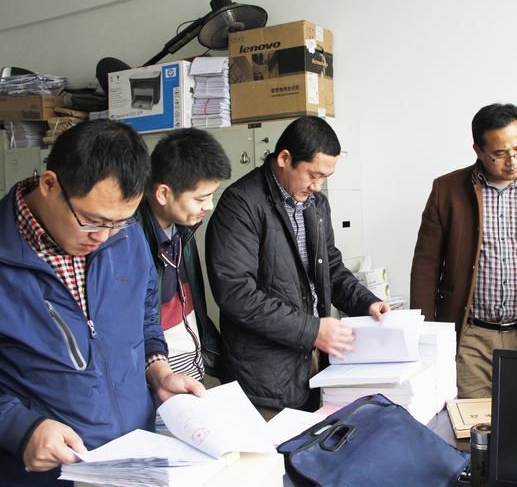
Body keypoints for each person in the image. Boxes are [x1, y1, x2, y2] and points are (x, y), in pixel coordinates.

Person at [0, 119, 205, 486]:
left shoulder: (125, 234)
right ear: (49, 185)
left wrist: (157, 369)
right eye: (92, 221)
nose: (104, 237)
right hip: (46, 473)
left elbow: (144, 314)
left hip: (133, 461)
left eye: (120, 222)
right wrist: (18, 426)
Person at [205, 116, 390, 418]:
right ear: (284, 158)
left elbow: (331, 268)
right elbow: (236, 294)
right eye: (313, 175)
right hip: (263, 378)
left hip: (312, 365)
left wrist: (366, 302)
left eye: (325, 178)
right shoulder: (241, 205)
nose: (317, 187)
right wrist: (313, 330)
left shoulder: (316, 204)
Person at [410, 103, 517, 399]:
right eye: (499, 153)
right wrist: (424, 334)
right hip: (469, 335)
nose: (512, 161)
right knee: (473, 421)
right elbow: (426, 265)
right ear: (478, 151)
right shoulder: (447, 190)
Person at [135, 128, 232, 382]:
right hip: (157, 379)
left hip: (190, 372)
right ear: (163, 194)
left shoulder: (183, 230)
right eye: (201, 198)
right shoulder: (132, 241)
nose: (209, 206)